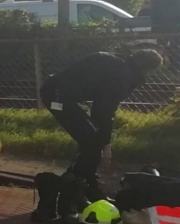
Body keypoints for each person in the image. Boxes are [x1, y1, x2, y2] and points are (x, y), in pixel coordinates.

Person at [39, 48, 163, 192]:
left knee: (91, 139)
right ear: (146, 69)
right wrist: (106, 144)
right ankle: (78, 187)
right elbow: (103, 110)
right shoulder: (123, 76)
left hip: (58, 92)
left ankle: (77, 183)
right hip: (56, 96)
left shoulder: (121, 64)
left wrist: (102, 138)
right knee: (92, 141)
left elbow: (101, 108)